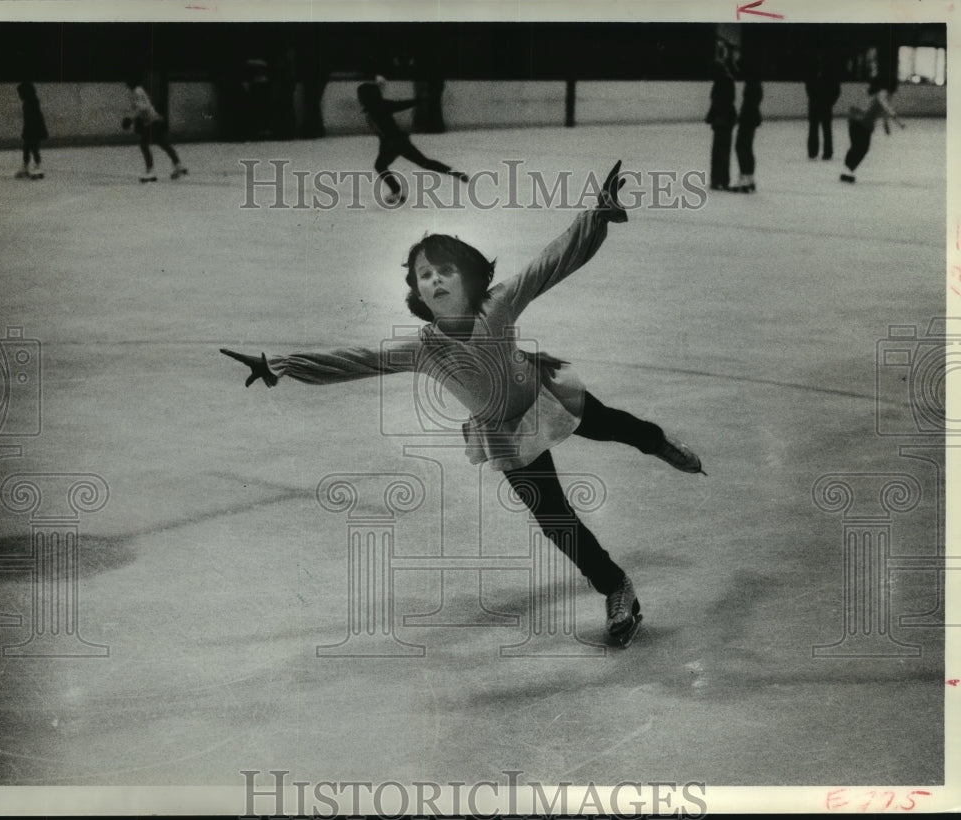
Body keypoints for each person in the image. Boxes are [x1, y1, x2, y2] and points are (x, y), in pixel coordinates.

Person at [221, 161, 706, 646]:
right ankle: (617, 587)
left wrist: (596, 216)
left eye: (445, 270)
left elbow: (549, 263)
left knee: (617, 427)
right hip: (505, 432)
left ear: (471, 276)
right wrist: (281, 365)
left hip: (545, 395)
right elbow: (357, 360)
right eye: (424, 274)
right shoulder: (421, 347)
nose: (435, 280)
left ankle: (659, 443)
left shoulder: (496, 306)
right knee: (555, 520)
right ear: (417, 292)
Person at [357, 80, 468, 205]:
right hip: (397, 141)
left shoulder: (377, 106)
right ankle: (454, 172)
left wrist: (419, 100)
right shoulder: (377, 105)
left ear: (366, 96)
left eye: (360, 95)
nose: (359, 98)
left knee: (381, 166)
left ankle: (397, 191)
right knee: (424, 162)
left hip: (393, 143)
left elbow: (400, 105)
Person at [840, 77, 905, 184]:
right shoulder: (883, 93)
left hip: (856, 122)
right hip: (862, 124)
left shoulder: (878, 93)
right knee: (861, 149)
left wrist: (886, 125)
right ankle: (848, 170)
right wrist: (898, 122)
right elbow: (886, 108)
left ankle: (847, 170)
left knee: (857, 148)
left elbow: (883, 109)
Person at [121, 79, 188, 183]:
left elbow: (143, 107)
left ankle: (150, 172)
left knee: (144, 144)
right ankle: (178, 165)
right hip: (154, 120)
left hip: (152, 121)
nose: (126, 84)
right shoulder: (138, 90)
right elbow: (143, 106)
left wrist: (131, 118)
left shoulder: (137, 92)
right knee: (163, 143)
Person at [705, 47, 738, 191]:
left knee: (719, 151)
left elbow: (719, 102)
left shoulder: (722, 82)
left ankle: (718, 179)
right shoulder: (726, 80)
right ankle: (721, 179)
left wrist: (711, 116)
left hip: (722, 120)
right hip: (725, 119)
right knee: (722, 151)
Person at [805, 52, 841, 160]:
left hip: (824, 105)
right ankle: (814, 152)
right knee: (815, 129)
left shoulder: (830, 74)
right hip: (817, 104)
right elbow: (808, 87)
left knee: (825, 129)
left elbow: (836, 90)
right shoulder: (813, 73)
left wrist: (830, 102)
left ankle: (826, 152)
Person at [731, 70, 762, 193]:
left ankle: (745, 177)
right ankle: (749, 178)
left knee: (741, 147)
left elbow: (748, 104)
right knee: (746, 148)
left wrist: (741, 117)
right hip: (751, 118)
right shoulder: (756, 85)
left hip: (748, 119)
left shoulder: (751, 86)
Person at [15, 81, 48, 180]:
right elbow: (28, 120)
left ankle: (37, 167)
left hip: (35, 130)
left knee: (34, 149)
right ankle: (26, 166)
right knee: (27, 149)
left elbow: (35, 118)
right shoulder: (28, 102)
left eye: (20, 93)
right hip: (30, 130)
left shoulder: (32, 102)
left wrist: (36, 131)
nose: (19, 95)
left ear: (26, 93)